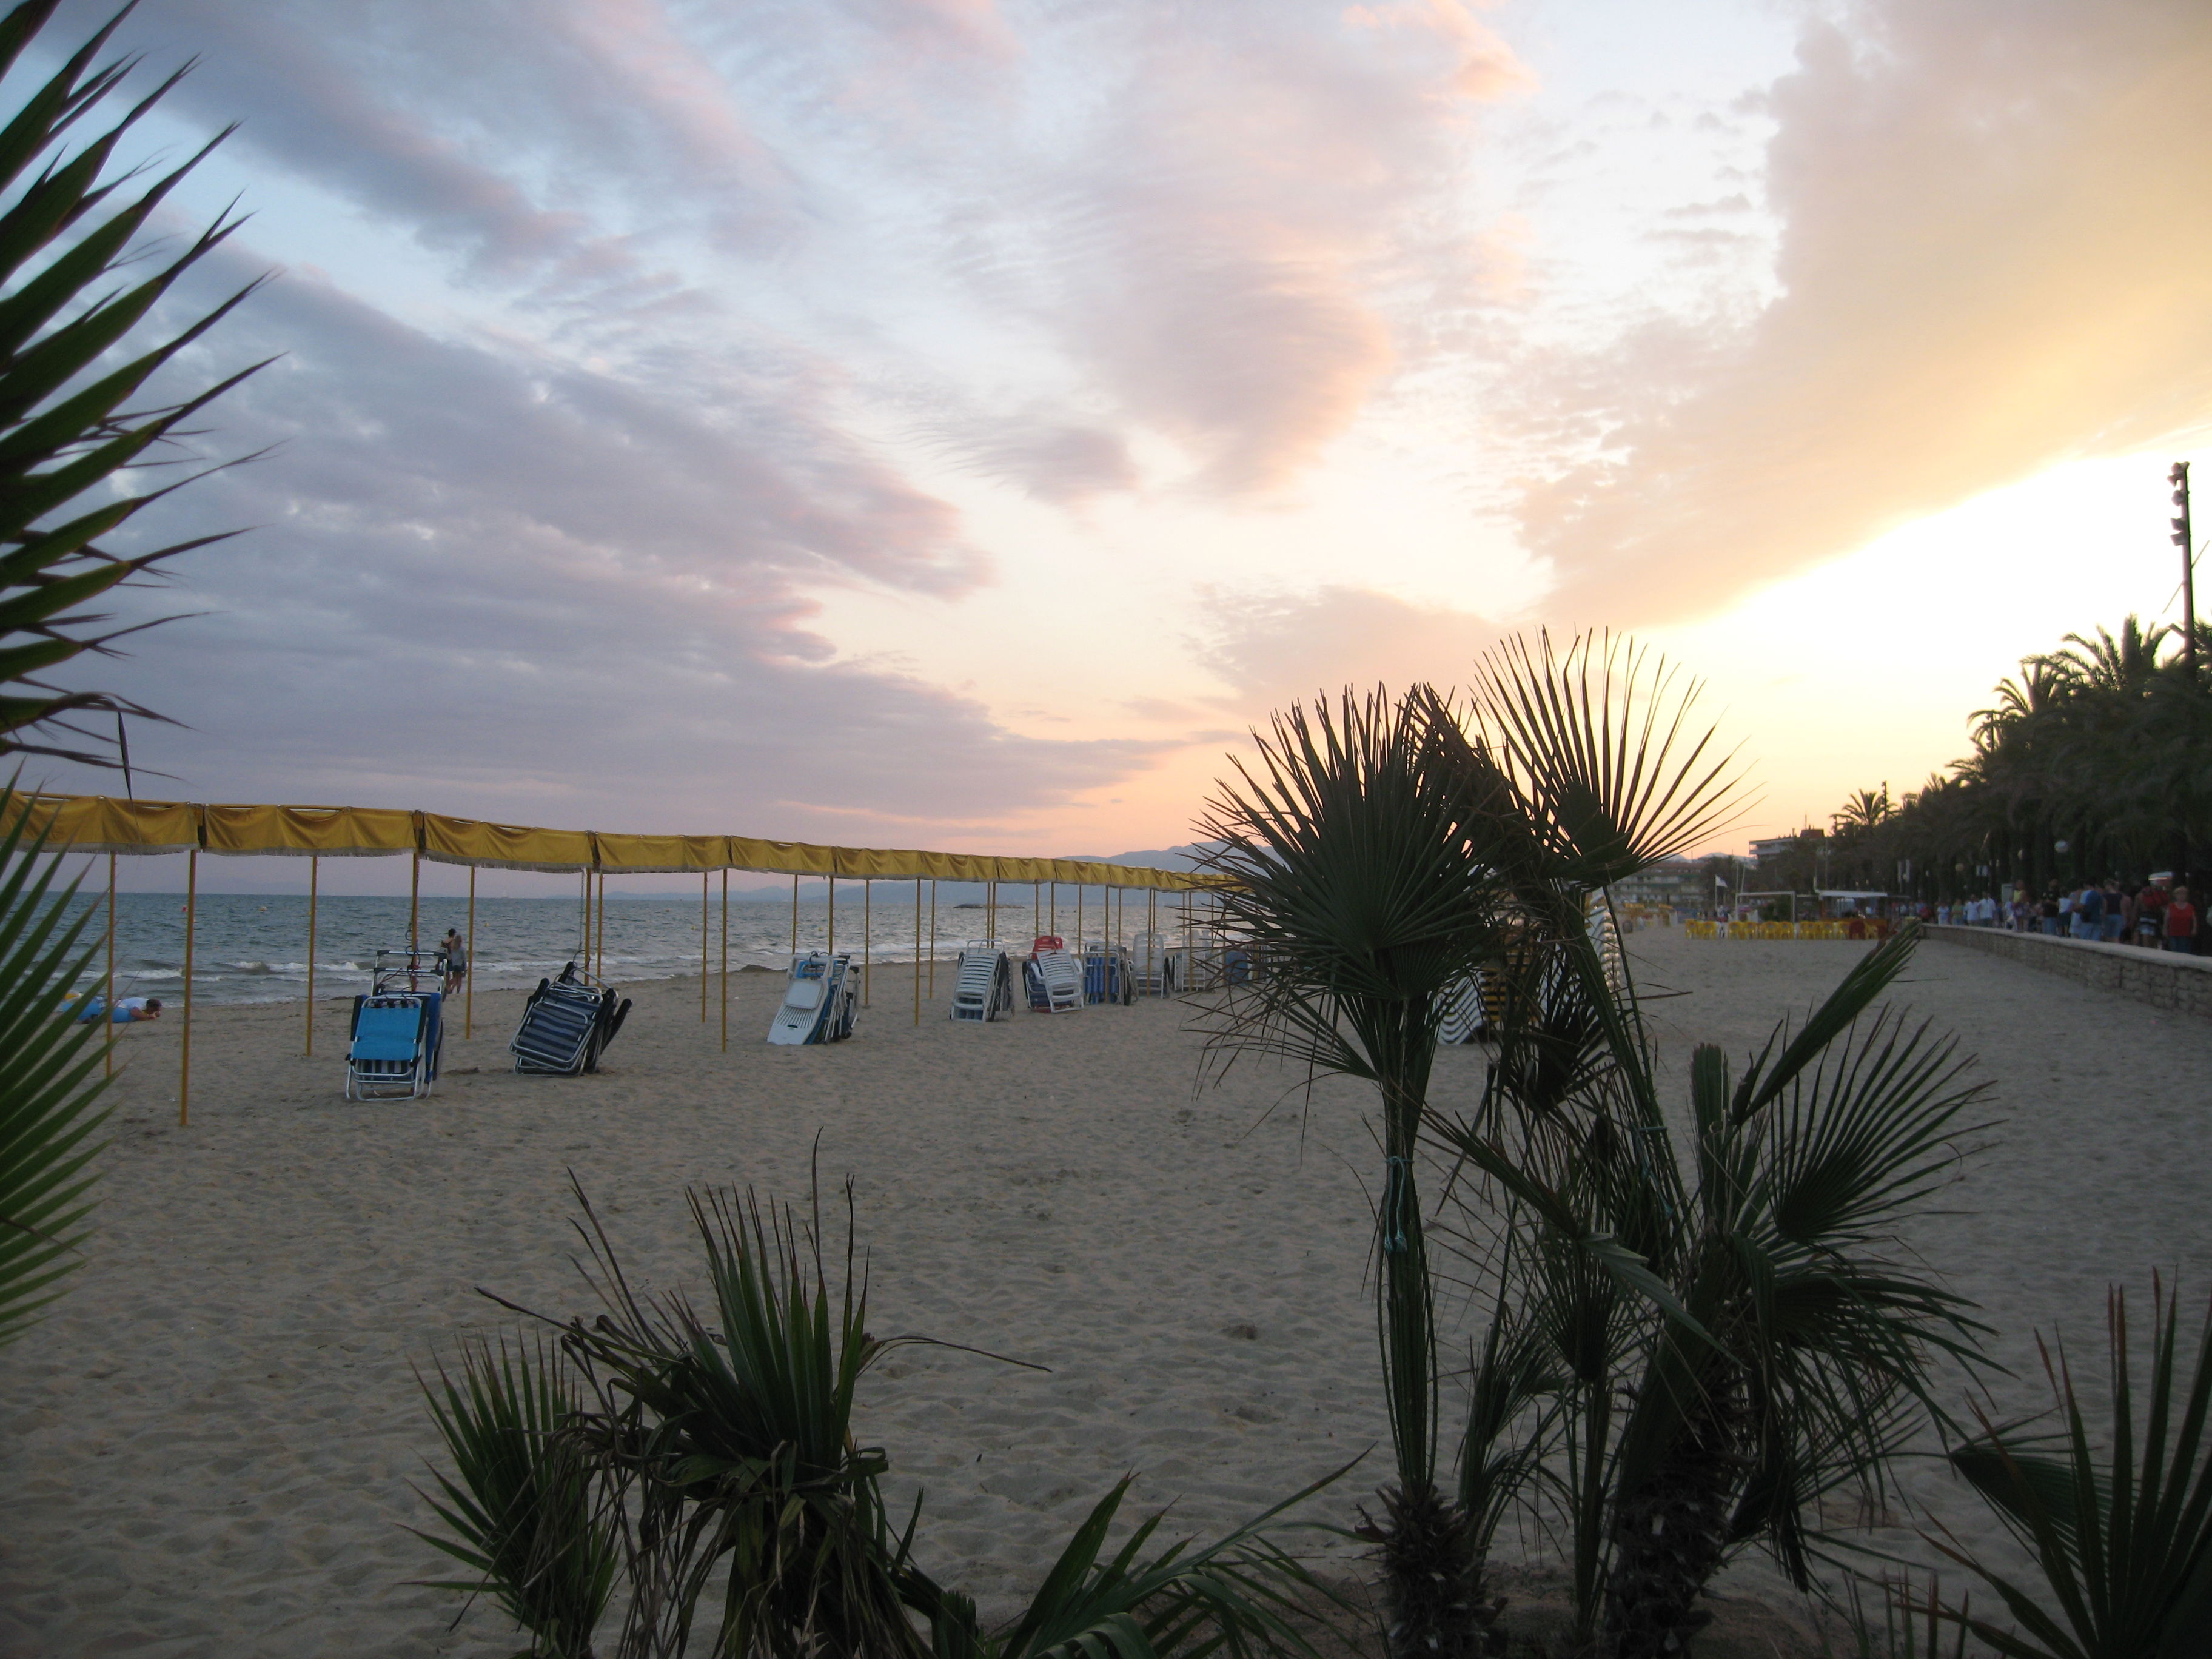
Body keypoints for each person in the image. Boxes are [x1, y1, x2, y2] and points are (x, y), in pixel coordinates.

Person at [2165, 885, 2199, 956]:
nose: (2182, 896)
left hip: (2185, 933)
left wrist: (2194, 929)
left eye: (2184, 894)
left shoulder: (2190, 907)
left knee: (2184, 951)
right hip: (2173, 932)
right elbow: (2167, 918)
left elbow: (2194, 919)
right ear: (2175, 896)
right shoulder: (2171, 907)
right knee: (2174, 950)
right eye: (2180, 894)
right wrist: (2165, 929)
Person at [441, 927, 469, 996]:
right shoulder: (458, 946)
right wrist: (465, 966)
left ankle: (448, 987)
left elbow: (443, 951)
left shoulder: (446, 942)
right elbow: (464, 958)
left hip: (449, 961)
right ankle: (450, 988)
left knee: (450, 976)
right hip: (457, 962)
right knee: (457, 978)